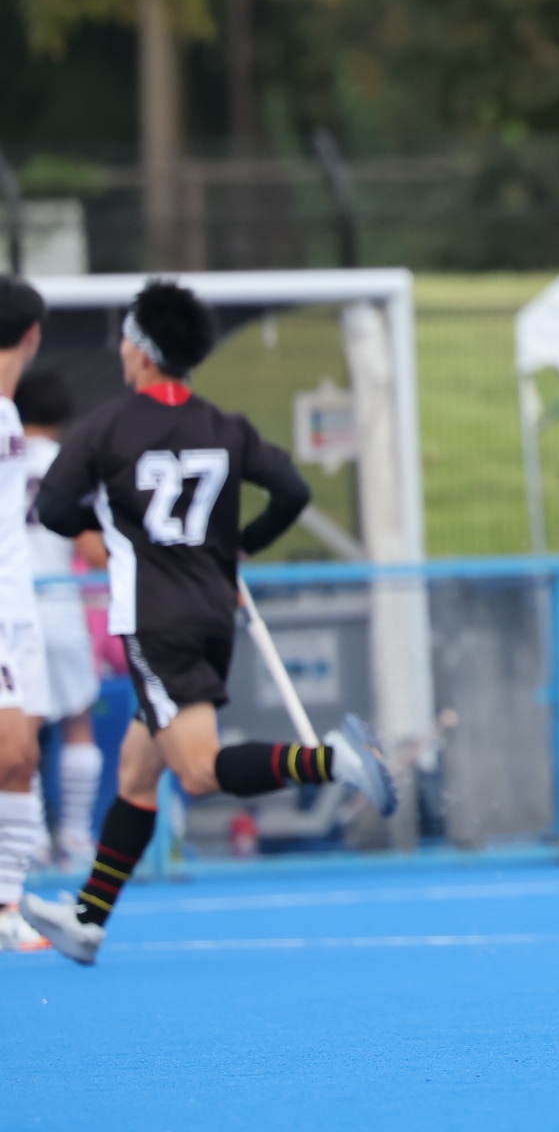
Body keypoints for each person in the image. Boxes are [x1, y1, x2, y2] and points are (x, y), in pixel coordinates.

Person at [20, 279, 397, 965]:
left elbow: (52, 511)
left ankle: (331, 760)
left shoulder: (108, 428)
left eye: (127, 341)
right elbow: (292, 491)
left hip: (153, 622)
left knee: (195, 771)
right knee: (138, 772)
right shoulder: (225, 427)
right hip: (212, 614)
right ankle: (89, 916)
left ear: (141, 351)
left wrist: (108, 518)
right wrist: (239, 545)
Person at [20, 370, 105, 865]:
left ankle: (28, 837)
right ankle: (74, 835)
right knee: (78, 723)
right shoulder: (69, 463)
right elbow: (93, 550)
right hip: (62, 608)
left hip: (13, 609)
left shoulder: (5, 458)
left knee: (20, 726)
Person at [0, 279, 53, 951]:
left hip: (20, 607)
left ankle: (6, 903)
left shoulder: (10, 415)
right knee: (11, 750)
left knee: (21, 760)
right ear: (33, 335)